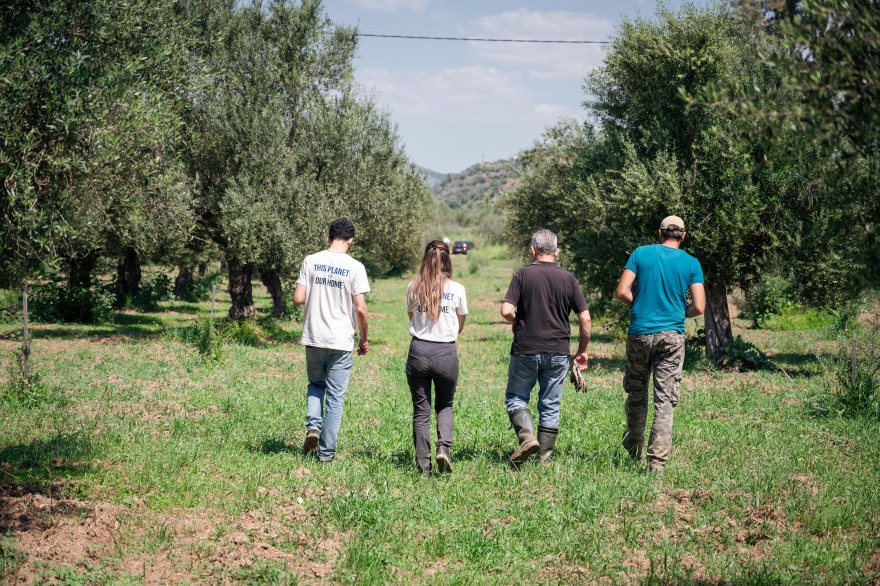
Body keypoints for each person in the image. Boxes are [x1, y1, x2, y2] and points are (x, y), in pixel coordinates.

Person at [614, 215, 705, 473]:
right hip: (672, 337)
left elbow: (622, 291)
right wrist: (677, 312)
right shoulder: (691, 263)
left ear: (660, 233)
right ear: (683, 236)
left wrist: (643, 304)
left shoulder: (640, 254)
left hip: (640, 333)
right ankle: (657, 464)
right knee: (664, 401)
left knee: (636, 392)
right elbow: (699, 306)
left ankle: (634, 446)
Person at [500, 229, 591, 466]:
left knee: (517, 397)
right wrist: (582, 350)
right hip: (558, 350)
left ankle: (527, 437)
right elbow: (585, 318)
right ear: (557, 251)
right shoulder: (569, 279)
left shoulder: (522, 275)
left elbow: (506, 311)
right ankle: (545, 460)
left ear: (533, 250)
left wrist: (518, 319)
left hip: (525, 348)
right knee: (550, 404)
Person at [293, 217, 370, 462]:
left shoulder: (311, 261)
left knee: (316, 385)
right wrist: (364, 339)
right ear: (350, 241)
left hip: (314, 337)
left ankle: (313, 428)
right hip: (340, 341)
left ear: (328, 237)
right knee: (335, 398)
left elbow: (298, 298)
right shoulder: (355, 267)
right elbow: (360, 309)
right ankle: (326, 454)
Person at [405, 240, 468, 475]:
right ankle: (443, 449)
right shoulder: (458, 289)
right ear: (448, 260)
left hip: (418, 351)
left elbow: (412, 317)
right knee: (445, 404)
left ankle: (423, 464)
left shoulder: (413, 287)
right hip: (445, 353)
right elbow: (459, 326)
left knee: (421, 410)